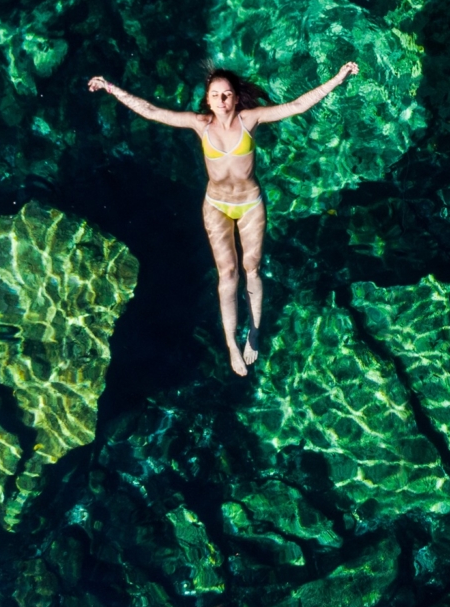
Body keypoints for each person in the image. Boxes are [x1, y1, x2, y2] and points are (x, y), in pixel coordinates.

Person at [88, 62, 359, 376]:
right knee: (228, 274)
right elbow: (152, 111)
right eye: (215, 95)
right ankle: (232, 343)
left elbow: (297, 105)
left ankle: (253, 332)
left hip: (249, 204)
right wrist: (110, 87)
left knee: (252, 268)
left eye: (227, 95)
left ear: (234, 97)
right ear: (207, 98)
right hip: (216, 205)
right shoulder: (200, 124)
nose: (221, 101)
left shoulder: (250, 119)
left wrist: (338, 78)